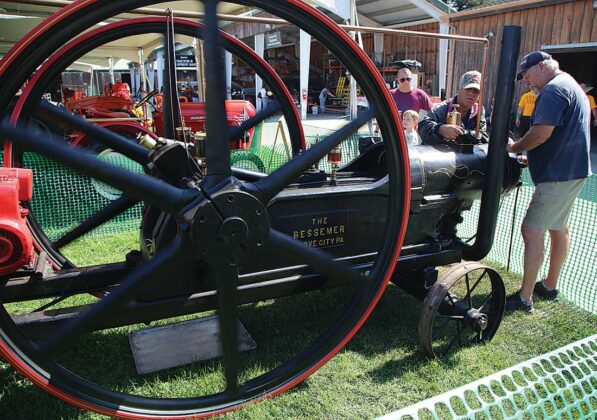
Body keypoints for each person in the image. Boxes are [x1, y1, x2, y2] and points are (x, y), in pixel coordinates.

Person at [505, 51, 591, 313]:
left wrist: (514, 147)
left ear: (541, 67)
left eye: (528, 76)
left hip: (558, 175)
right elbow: (564, 134)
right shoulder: (570, 84)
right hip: (570, 170)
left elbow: (541, 133)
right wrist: (534, 157)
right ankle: (550, 286)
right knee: (559, 228)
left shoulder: (553, 89)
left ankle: (524, 299)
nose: (528, 82)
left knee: (531, 230)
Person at [418, 70, 489, 145]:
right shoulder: (441, 109)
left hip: (464, 155)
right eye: (468, 89)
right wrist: (440, 129)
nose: (471, 93)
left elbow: (483, 137)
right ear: (458, 89)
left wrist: (462, 133)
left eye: (476, 90)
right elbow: (423, 128)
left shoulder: (479, 111)